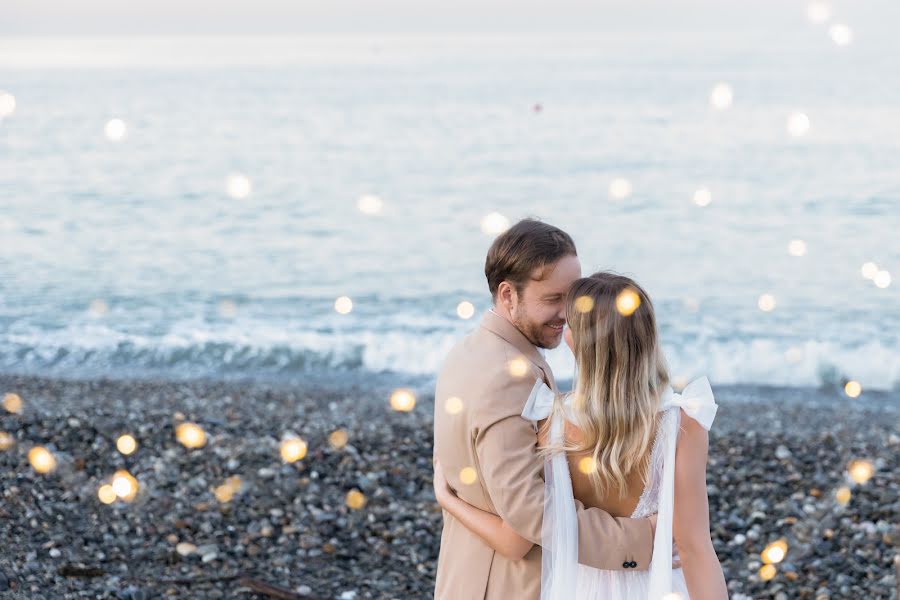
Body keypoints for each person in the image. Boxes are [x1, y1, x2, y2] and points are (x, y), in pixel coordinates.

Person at [434, 270, 728, 599]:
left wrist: (448, 500)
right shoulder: (682, 424)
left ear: (575, 341)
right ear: (648, 334)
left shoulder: (550, 423)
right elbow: (695, 550)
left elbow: (515, 539)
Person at [432, 220, 656, 600]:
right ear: (508, 295)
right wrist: (639, 540)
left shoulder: (468, 352)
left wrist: (449, 502)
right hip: (505, 586)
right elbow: (527, 510)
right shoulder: (508, 376)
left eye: (573, 298)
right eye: (554, 299)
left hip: (467, 576)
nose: (569, 314)